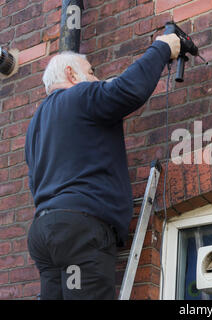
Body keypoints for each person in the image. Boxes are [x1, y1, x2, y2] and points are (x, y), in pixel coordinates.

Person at [25, 34, 180, 300]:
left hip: (44, 232)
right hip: (78, 231)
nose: (96, 79)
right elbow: (128, 89)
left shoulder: (35, 126)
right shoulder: (80, 96)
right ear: (71, 74)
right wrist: (163, 48)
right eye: (91, 72)